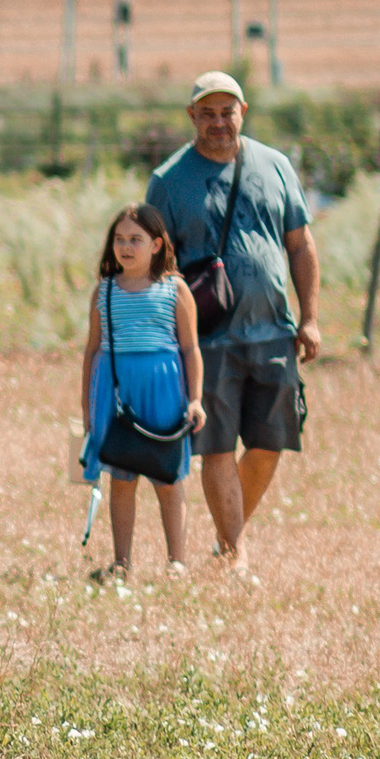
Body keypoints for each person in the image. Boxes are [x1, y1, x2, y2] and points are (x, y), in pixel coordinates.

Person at [143, 71, 320, 573]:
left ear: (244, 111)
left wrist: (310, 319)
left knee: (269, 444)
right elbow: (157, 263)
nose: (219, 122)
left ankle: (227, 536)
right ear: (191, 117)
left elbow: (301, 245)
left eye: (228, 112)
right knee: (217, 445)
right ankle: (235, 555)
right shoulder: (169, 180)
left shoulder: (276, 165)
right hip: (207, 338)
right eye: (207, 113)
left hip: (274, 331)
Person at [77, 204, 206, 580]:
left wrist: (196, 399)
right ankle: (122, 562)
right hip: (117, 392)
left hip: (164, 391)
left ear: (156, 244)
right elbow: (91, 349)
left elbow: (190, 348)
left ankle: (177, 561)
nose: (125, 246)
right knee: (122, 477)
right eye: (119, 239)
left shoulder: (175, 289)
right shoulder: (104, 292)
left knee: (168, 477)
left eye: (135, 239)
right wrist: (87, 404)